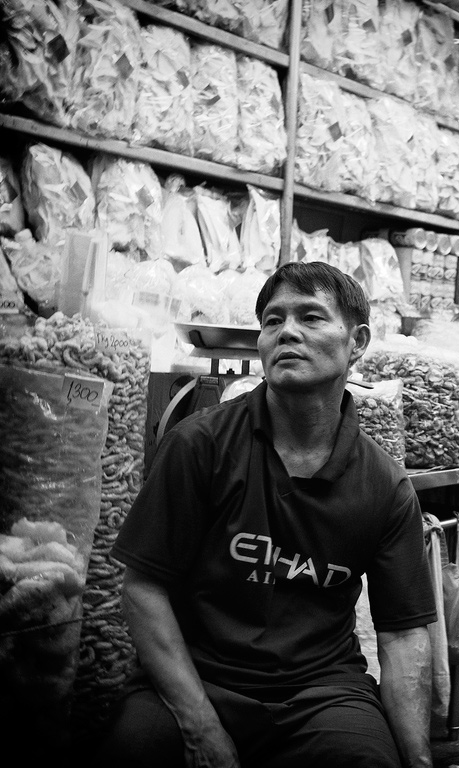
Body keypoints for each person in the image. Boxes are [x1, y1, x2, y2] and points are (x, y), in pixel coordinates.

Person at [94, 262, 436, 768]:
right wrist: (200, 725)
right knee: (133, 749)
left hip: (322, 693)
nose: (287, 332)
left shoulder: (385, 486)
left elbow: (403, 635)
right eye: (273, 321)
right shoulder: (199, 445)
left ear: (358, 341)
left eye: (311, 317)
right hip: (201, 676)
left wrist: (419, 759)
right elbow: (143, 590)